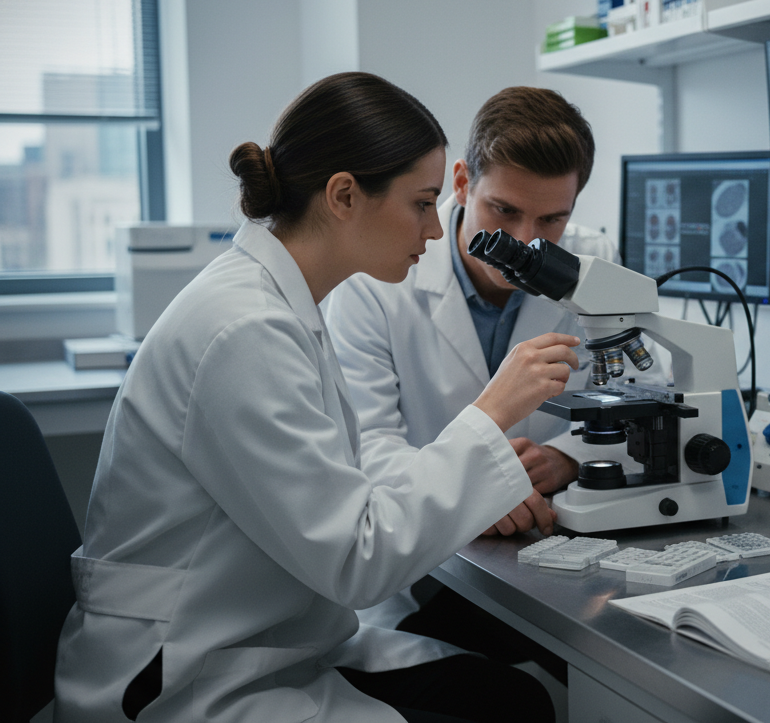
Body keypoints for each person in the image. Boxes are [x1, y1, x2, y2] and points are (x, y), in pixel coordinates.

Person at [52, 72, 572, 723]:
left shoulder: (280, 305)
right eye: (421, 203)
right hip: (180, 676)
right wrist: (493, 411)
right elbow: (358, 560)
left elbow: (346, 500)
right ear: (345, 196)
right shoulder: (245, 331)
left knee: (511, 699)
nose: (436, 233)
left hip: (265, 643)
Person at [325, 88, 648, 674]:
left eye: (552, 218)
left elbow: (642, 396)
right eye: (504, 211)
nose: (528, 241)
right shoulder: (376, 279)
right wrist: (481, 486)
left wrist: (565, 456)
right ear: (461, 183)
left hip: (548, 556)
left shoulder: (592, 264)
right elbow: (366, 452)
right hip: (420, 574)